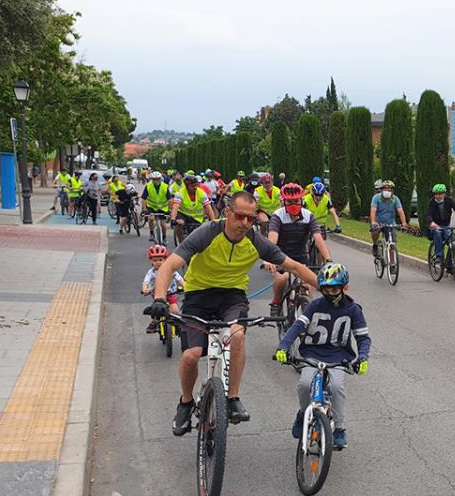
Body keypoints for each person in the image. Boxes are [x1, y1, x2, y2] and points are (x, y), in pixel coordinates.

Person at [144, 191, 321, 433]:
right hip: (198, 295)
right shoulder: (207, 233)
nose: (246, 223)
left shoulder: (255, 239)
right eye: (240, 217)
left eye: (251, 218)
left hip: (232, 297)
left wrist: (331, 290)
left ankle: (233, 399)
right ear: (227, 212)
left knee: (236, 336)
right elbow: (169, 266)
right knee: (190, 355)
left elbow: (295, 266)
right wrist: (160, 298)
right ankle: (185, 403)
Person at [274, 262, 370, 450]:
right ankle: (303, 414)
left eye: (335, 289)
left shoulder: (353, 310)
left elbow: (363, 338)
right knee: (304, 385)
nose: (331, 294)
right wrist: (283, 347)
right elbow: (297, 327)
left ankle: (339, 429)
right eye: (326, 290)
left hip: (339, 357)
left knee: (336, 387)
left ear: (345, 287)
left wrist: (363, 357)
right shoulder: (314, 306)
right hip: (312, 354)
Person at [266, 183, 330, 317]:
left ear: (301, 200)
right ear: (283, 201)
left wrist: (328, 260)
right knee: (282, 279)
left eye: (296, 201)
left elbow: (318, 238)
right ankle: (276, 302)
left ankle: (307, 309)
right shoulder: (278, 216)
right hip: (281, 257)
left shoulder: (308, 216)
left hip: (301, 256)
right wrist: (269, 259)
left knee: (307, 285)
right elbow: (272, 238)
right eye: (289, 201)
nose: (293, 204)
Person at [425, 183, 455, 269]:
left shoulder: (449, 200)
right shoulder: (431, 202)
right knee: (438, 233)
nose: (438, 196)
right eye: (436, 194)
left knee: (453, 243)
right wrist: (431, 223)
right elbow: (428, 215)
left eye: (440, 194)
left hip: (446, 226)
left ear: (444, 194)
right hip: (435, 227)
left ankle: (449, 264)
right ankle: (439, 256)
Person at [141, 244, 184, 333]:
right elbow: (146, 281)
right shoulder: (151, 272)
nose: (158, 262)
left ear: (165, 259)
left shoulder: (170, 269)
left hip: (171, 293)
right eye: (155, 260)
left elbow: (179, 279)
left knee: (175, 310)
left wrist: (186, 287)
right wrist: (145, 289)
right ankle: (154, 322)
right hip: (158, 295)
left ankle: (176, 324)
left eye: (160, 260)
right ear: (151, 261)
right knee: (156, 311)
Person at [169, 171, 217, 241]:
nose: (195, 187)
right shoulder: (180, 193)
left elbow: (208, 208)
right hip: (183, 214)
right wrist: (173, 219)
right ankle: (181, 242)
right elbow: (175, 207)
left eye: (196, 185)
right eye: (192, 186)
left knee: (198, 237)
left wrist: (213, 221)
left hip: (197, 218)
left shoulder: (201, 193)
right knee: (180, 223)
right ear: (186, 186)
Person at [368, 180, 410, 257]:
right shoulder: (376, 198)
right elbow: (373, 210)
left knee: (392, 242)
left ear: (392, 191)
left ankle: (393, 264)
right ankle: (375, 245)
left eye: (389, 190)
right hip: (378, 222)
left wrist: (404, 222)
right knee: (375, 232)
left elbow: (400, 211)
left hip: (390, 222)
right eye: (385, 189)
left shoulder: (395, 199)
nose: (387, 191)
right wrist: (373, 221)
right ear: (381, 190)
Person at [142, 171, 172, 242]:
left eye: (157, 179)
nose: (156, 180)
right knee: (151, 219)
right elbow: (143, 198)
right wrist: (144, 209)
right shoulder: (148, 186)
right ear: (152, 179)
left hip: (162, 207)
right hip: (151, 206)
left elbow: (170, 199)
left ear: (160, 179)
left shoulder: (165, 186)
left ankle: (164, 238)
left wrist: (169, 210)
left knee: (163, 224)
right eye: (154, 179)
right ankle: (151, 233)